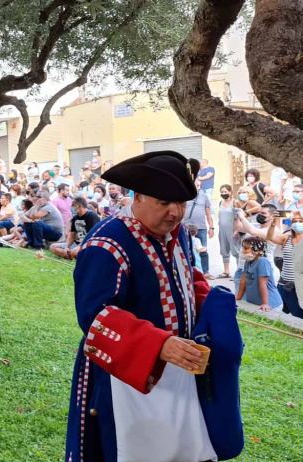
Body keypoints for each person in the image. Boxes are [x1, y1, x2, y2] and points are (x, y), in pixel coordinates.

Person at [65, 151, 231, 462]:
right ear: (137, 196)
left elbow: (187, 276)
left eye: (181, 202)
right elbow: (95, 316)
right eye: (165, 202)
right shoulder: (106, 243)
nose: (175, 212)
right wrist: (158, 344)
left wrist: (212, 311)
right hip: (124, 376)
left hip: (180, 372)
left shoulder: (176, 233)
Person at [237, 210, 302, 316]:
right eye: (295, 221)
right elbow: (269, 237)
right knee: (291, 316)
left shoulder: (262, 261)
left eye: (301, 221)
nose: (298, 223)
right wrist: (273, 224)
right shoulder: (286, 238)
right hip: (286, 285)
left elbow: (262, 283)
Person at [235, 237, 282, 311]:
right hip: (255, 302)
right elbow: (243, 279)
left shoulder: (262, 261)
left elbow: (263, 283)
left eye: (246, 249)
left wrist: (265, 303)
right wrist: (238, 297)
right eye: (243, 249)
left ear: (258, 250)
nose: (243, 251)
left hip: (270, 304)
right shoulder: (248, 261)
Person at [183, 180, 214, 278]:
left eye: (199, 185)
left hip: (201, 228)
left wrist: (211, 227)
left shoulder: (204, 197)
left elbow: (208, 213)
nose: (198, 187)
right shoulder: (184, 195)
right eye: (196, 185)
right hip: (186, 227)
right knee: (186, 249)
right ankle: (190, 271)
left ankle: (205, 272)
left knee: (203, 250)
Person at [216, 184, 240, 278]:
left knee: (236, 251)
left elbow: (238, 216)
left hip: (232, 229)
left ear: (230, 192)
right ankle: (226, 272)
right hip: (222, 229)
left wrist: (237, 230)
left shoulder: (235, 202)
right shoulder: (220, 202)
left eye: (225, 191)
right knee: (224, 250)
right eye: (222, 192)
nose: (223, 193)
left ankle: (239, 272)